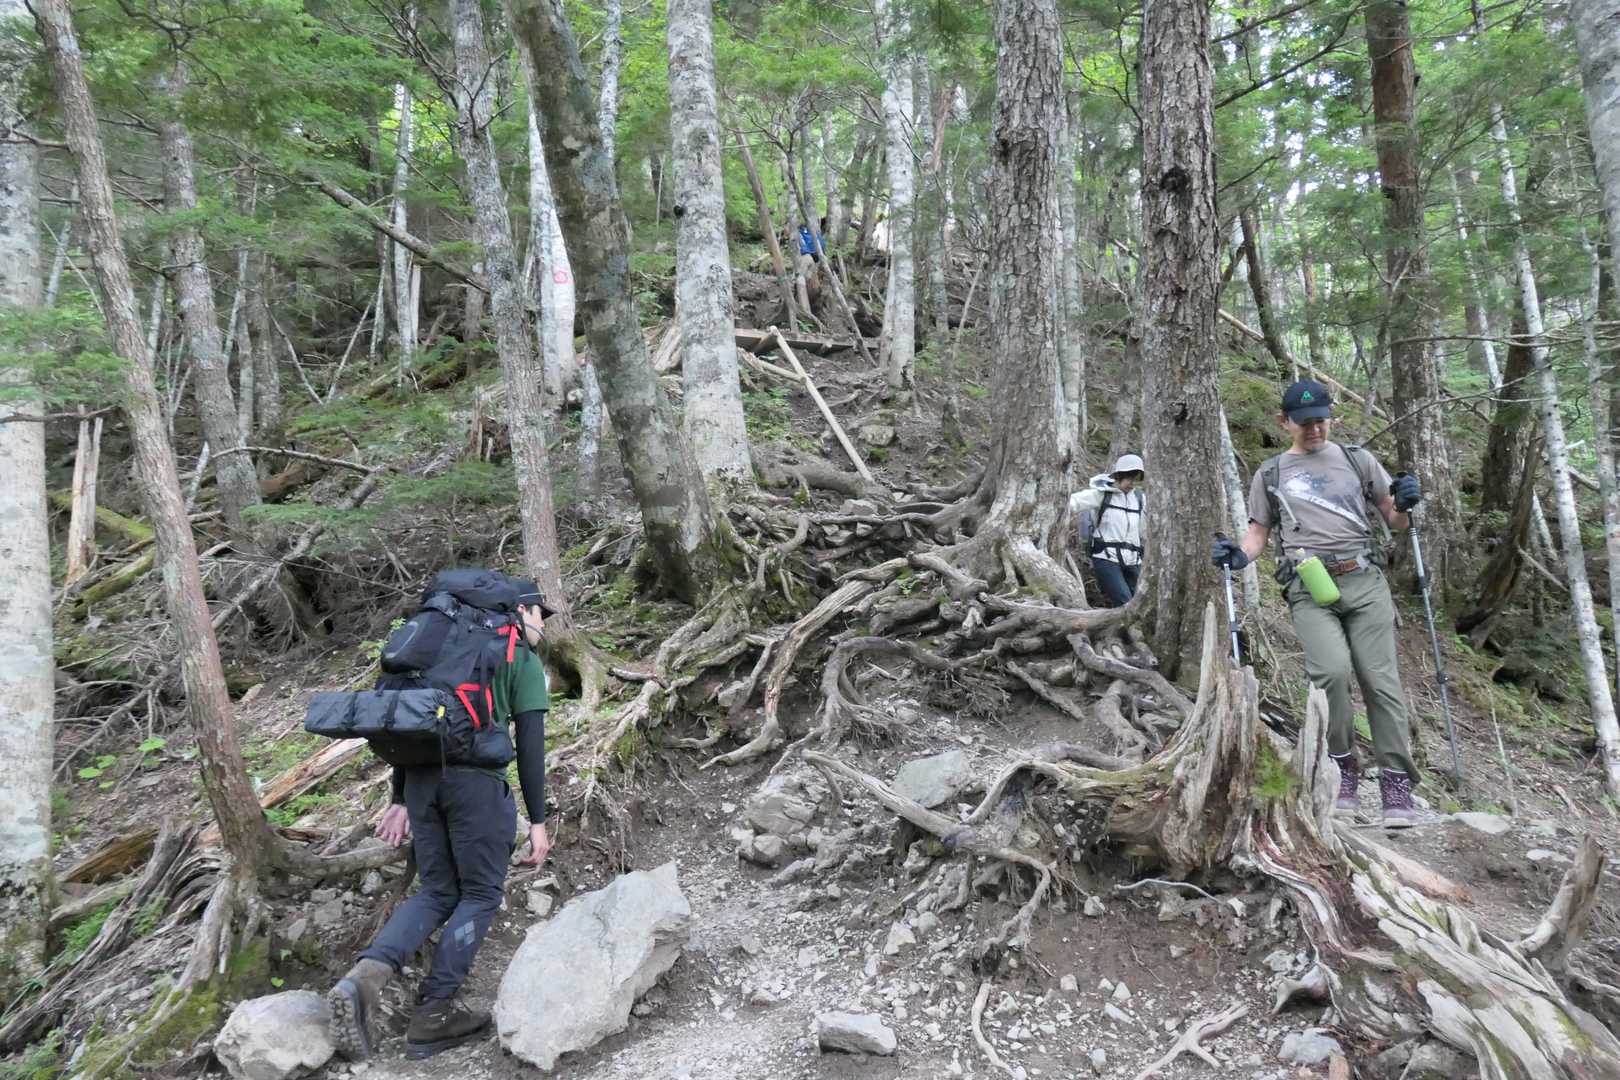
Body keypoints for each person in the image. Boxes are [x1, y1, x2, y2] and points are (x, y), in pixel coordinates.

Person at [326, 580, 553, 1061]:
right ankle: (433, 1013)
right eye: (541, 615)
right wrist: (538, 820)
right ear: (522, 611)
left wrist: (401, 797)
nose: (543, 626)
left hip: (422, 785)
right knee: (481, 894)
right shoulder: (518, 656)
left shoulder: (441, 649)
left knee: (435, 891)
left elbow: (415, 726)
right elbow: (531, 745)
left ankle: (362, 981)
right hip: (477, 789)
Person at [1210, 379, 1423, 827]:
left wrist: (1405, 502)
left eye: (1321, 421)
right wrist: (1238, 556)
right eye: (1305, 423)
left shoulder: (1358, 460)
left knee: (1380, 680)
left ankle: (1395, 781)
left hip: (1363, 578)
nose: (1315, 430)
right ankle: (1342, 769)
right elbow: (1257, 534)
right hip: (1308, 585)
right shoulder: (1271, 474)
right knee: (1331, 673)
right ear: (1283, 422)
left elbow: (1395, 518)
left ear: (1331, 417)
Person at [1071, 453, 1145, 607]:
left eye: (1135, 479)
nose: (1132, 483)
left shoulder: (1139, 499)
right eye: (1129, 478)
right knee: (1125, 603)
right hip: (1106, 558)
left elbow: (1145, 530)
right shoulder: (1102, 494)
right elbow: (1074, 501)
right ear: (1119, 475)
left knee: (1142, 604)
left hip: (1133, 559)